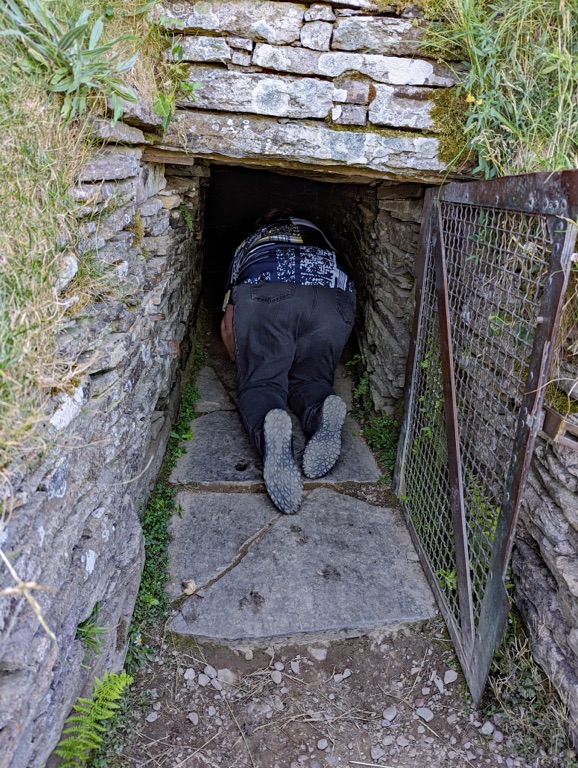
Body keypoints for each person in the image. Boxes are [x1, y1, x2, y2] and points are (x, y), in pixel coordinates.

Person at [221, 208, 356, 515]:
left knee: (262, 382)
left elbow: (228, 324)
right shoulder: (320, 236)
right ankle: (321, 412)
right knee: (311, 380)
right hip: (335, 298)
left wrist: (241, 359)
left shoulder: (251, 242)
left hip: (268, 286)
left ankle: (273, 428)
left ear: (263, 222)